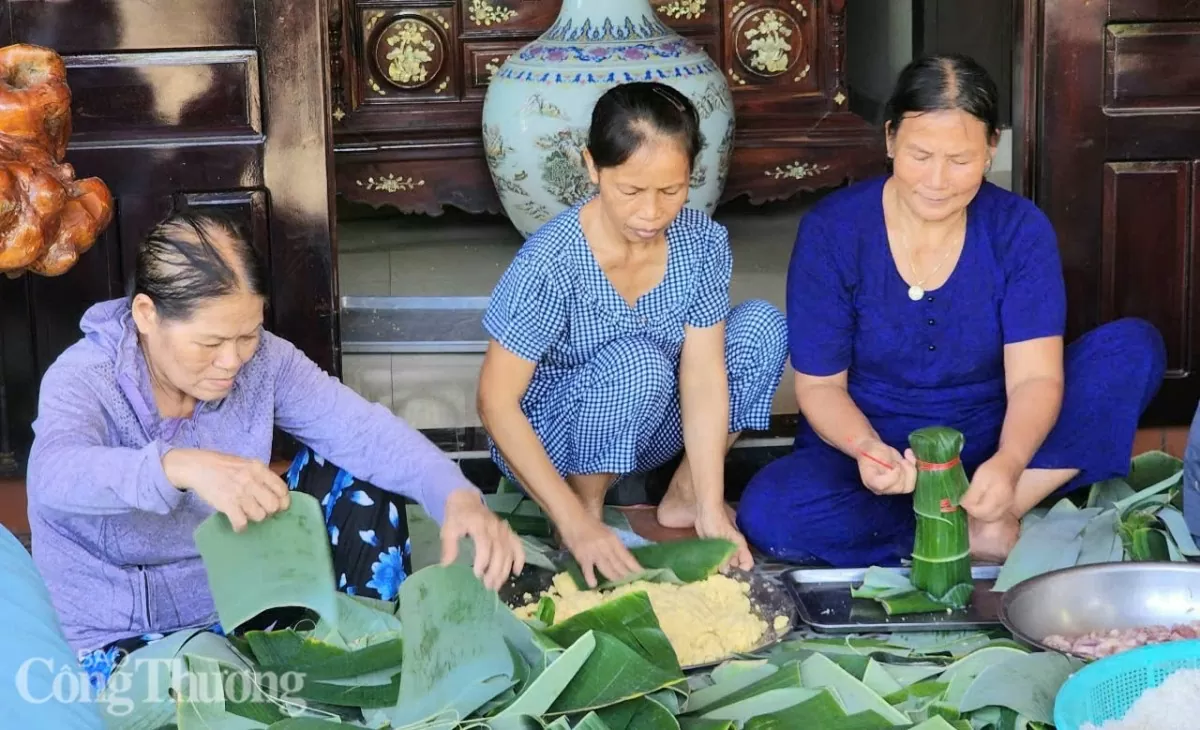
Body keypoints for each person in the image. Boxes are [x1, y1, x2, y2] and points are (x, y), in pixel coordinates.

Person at [25, 210, 524, 691]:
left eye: (247, 334)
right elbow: (54, 474)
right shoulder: (86, 377)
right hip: (124, 633)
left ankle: (368, 657)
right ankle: (292, 682)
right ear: (146, 315)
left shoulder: (262, 361)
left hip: (242, 600)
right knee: (207, 696)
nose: (232, 360)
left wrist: (455, 494)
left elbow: (363, 432)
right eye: (211, 342)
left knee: (358, 473)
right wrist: (178, 466)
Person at [737, 54, 1167, 569]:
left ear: (991, 148)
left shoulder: (1018, 230)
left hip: (993, 433)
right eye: (920, 155)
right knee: (770, 511)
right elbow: (820, 388)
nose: (937, 180)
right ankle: (965, 522)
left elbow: (1034, 380)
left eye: (960, 160)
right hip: (879, 449)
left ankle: (999, 506)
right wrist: (868, 451)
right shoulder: (834, 231)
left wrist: (1008, 465)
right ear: (891, 138)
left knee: (1132, 349)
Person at [477, 81, 788, 587]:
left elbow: (705, 376)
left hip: (644, 423)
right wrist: (575, 522)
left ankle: (686, 498)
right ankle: (583, 511)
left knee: (761, 328)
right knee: (638, 363)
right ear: (592, 166)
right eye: (631, 191)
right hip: (553, 438)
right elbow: (494, 403)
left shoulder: (702, 243)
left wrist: (714, 504)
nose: (651, 213)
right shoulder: (551, 263)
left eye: (671, 190)